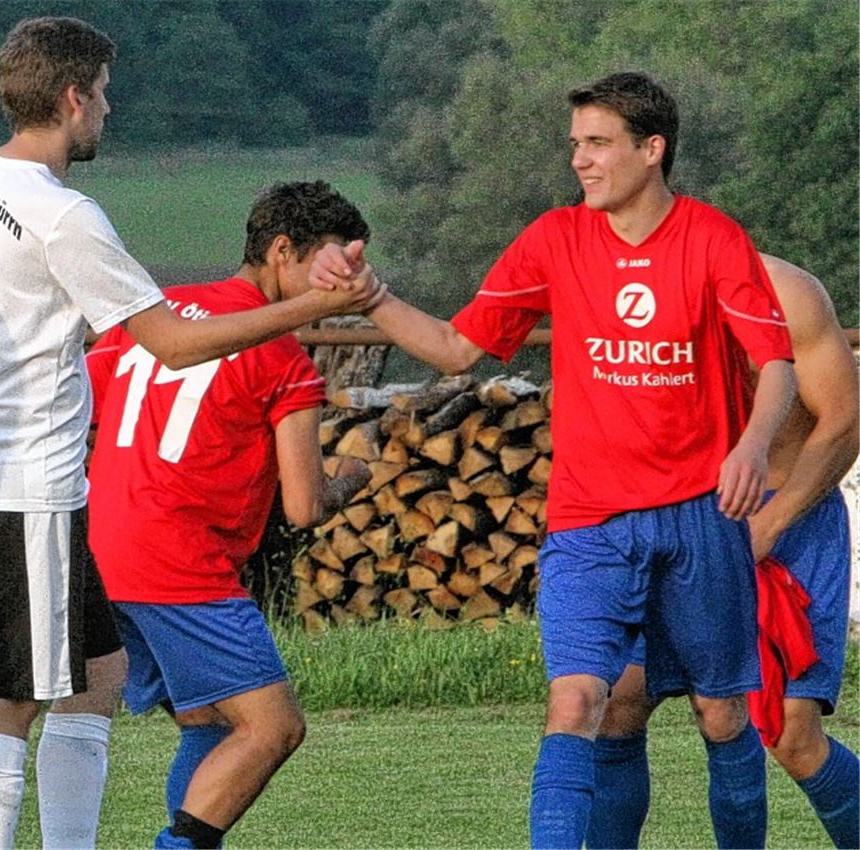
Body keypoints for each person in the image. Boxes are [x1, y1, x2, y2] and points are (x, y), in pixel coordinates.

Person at [0, 18, 381, 850]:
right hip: (28, 483)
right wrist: (314, 309)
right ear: (74, 98)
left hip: (5, 476)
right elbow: (172, 342)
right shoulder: (63, 213)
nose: (107, 112)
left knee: (98, 676)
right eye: (105, 94)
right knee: (9, 697)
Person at [310, 71, 798, 849]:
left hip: (701, 514)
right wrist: (372, 297)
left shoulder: (713, 238)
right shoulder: (554, 240)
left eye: (598, 143)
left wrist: (750, 445)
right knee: (576, 702)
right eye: (576, 145)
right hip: (590, 520)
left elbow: (777, 365)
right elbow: (456, 348)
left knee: (722, 713)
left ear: (652, 149)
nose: (580, 160)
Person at [85, 180, 374, 850]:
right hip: (178, 559)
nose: (341, 283)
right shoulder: (283, 358)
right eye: (331, 263)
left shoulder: (155, 319)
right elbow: (303, 507)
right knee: (274, 727)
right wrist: (351, 480)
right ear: (282, 252)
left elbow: (86, 405)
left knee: (209, 725)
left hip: (102, 547)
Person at [586, 254, 859, 850]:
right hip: (669, 521)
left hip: (788, 516)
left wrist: (766, 527)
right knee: (616, 702)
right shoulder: (612, 298)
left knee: (792, 735)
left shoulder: (788, 292)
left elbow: (843, 421)